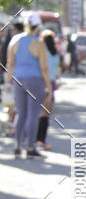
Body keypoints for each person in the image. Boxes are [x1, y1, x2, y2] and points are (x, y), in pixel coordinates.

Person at [5, 11, 51, 159]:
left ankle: (18, 146)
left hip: (18, 80)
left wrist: (7, 83)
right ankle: (31, 147)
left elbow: (10, 64)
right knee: (33, 115)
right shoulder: (39, 43)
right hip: (35, 80)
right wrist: (49, 87)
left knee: (21, 113)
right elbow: (44, 67)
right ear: (38, 26)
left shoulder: (15, 41)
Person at [36, 30, 61, 149]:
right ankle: (41, 140)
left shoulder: (42, 53)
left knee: (37, 113)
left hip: (42, 82)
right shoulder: (56, 54)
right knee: (46, 114)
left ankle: (37, 140)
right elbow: (58, 70)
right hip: (51, 82)